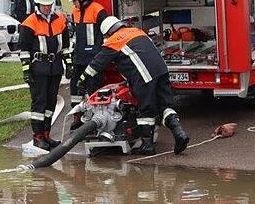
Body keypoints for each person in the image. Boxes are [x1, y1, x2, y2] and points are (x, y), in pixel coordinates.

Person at [80, 16, 189, 155]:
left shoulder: (115, 40)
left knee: (146, 110)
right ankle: (179, 134)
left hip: (144, 75)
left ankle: (147, 146)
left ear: (109, 32)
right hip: (161, 70)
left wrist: (82, 79)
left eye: (106, 36)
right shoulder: (137, 31)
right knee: (165, 105)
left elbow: (97, 63)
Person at [19, 0, 72, 151]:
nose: (47, 8)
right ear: (38, 5)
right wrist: (26, 70)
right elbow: (24, 50)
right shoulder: (29, 23)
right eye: (44, 5)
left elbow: (66, 46)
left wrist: (69, 64)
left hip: (55, 67)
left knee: (51, 102)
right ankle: (37, 137)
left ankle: (46, 134)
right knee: (39, 103)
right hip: (39, 68)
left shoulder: (61, 20)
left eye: (49, 5)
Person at [66, 0, 109, 129]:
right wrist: (71, 57)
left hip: (94, 58)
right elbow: (75, 36)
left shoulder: (98, 10)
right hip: (79, 57)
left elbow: (106, 34)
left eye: (74, 1)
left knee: (94, 88)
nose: (74, 4)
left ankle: (97, 119)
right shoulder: (75, 12)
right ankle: (77, 116)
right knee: (75, 87)